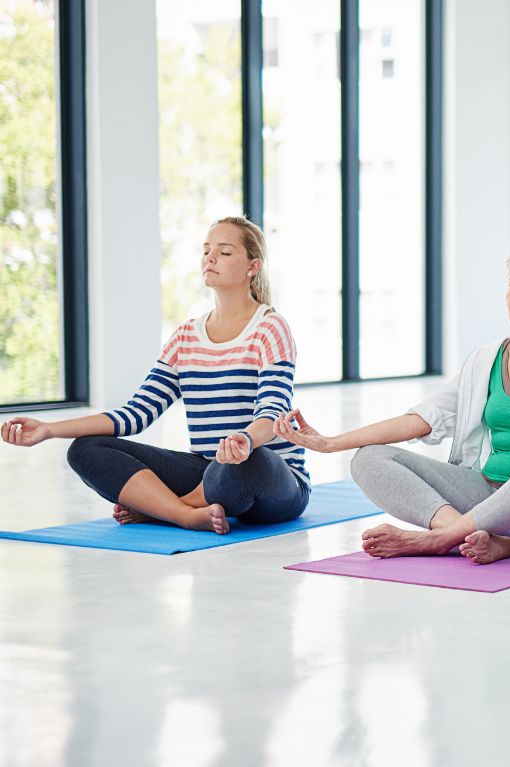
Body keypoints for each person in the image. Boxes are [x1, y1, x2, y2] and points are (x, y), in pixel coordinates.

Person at [275, 234, 510, 564]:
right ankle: (476, 534)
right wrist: (330, 444)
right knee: (369, 457)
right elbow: (423, 418)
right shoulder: (488, 359)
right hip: (489, 499)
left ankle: (439, 539)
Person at [1, 216, 309, 534]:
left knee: (245, 462)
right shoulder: (185, 336)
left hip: (271, 479)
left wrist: (243, 441)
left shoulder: (270, 327)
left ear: (252, 267)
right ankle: (184, 514)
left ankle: (166, 508)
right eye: (206, 251)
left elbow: (272, 416)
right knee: (85, 449)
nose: (210, 258)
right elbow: (136, 414)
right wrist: (49, 429)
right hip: (211, 474)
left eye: (225, 252)